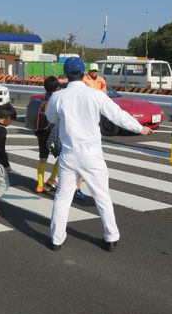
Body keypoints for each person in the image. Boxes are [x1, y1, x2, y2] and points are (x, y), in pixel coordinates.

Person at [45, 57, 153, 252]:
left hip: (69, 153)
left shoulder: (58, 97)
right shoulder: (95, 95)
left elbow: (51, 117)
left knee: (62, 197)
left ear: (65, 74)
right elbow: (117, 115)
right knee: (102, 196)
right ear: (85, 72)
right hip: (92, 154)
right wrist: (140, 128)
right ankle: (111, 237)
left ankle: (56, 239)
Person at [34, 76, 61, 193]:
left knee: (43, 158)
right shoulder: (57, 99)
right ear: (57, 87)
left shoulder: (43, 98)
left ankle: (40, 185)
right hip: (53, 133)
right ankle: (51, 179)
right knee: (62, 156)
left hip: (41, 132)